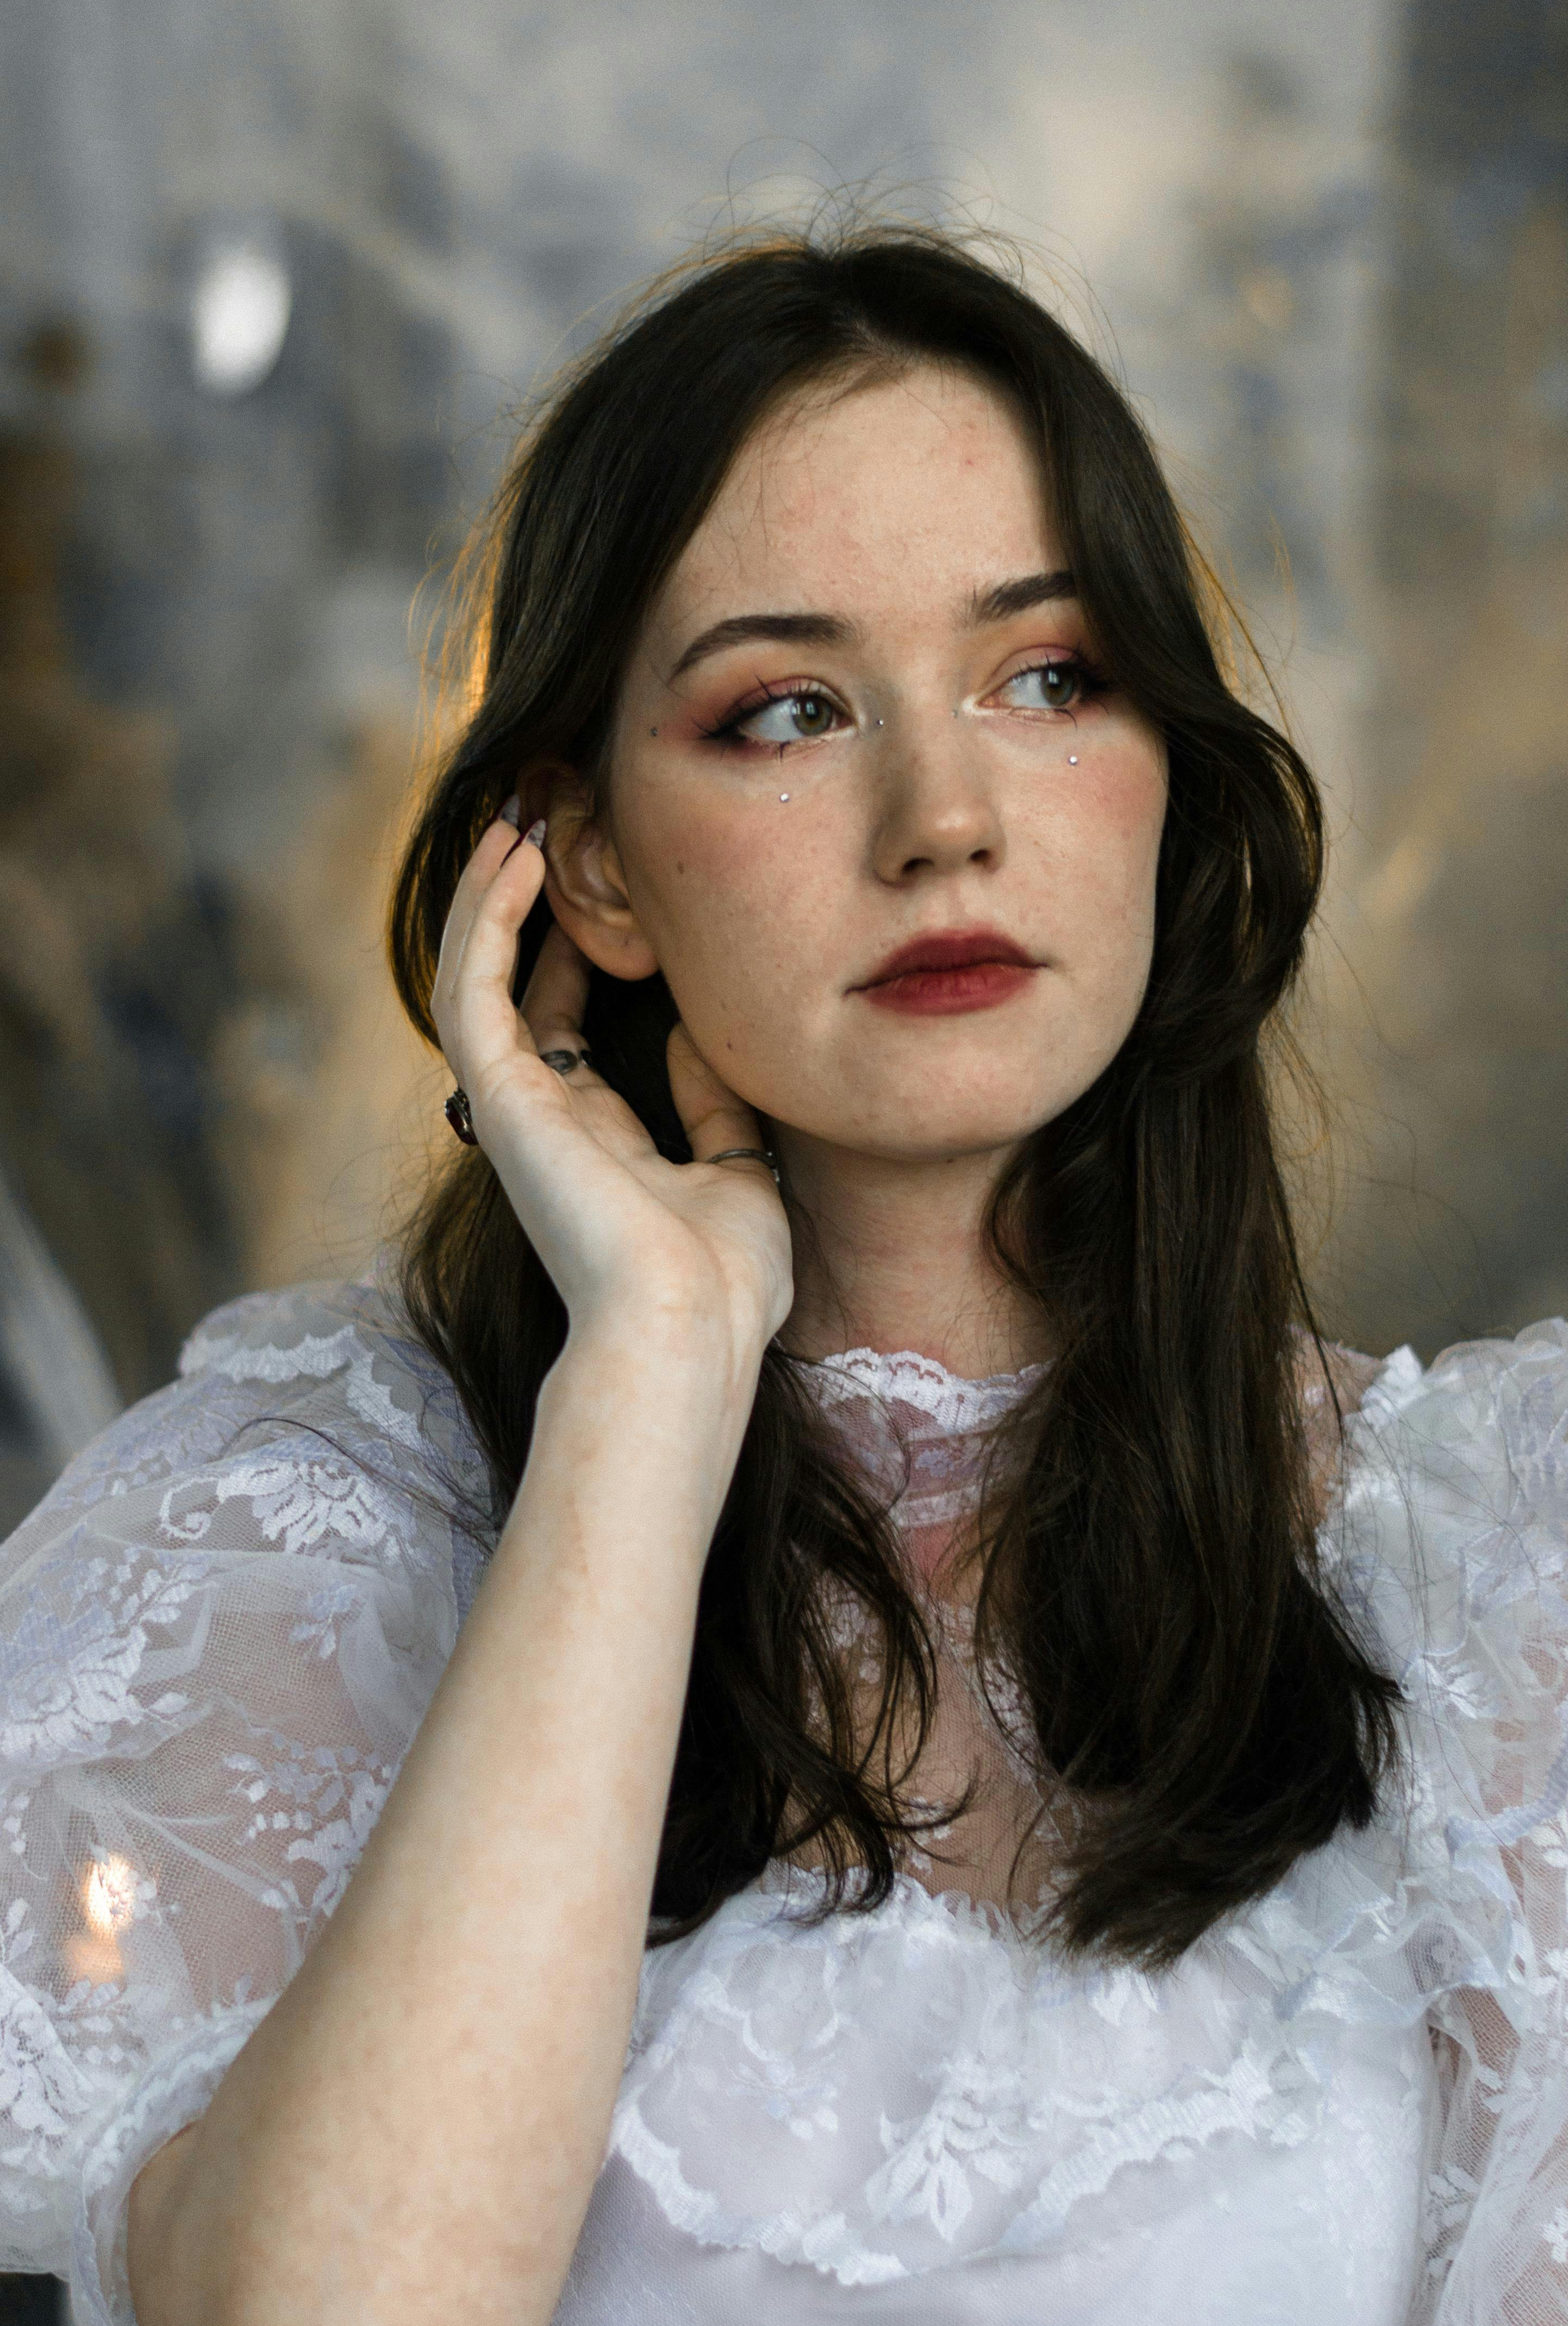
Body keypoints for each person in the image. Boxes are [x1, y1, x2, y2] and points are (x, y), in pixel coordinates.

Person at [1, 221, 1564, 2326]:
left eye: (1046, 677)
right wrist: (650, 1377)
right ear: (597, 861)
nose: (944, 816)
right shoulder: (307, 1553)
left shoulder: (1479, 1578)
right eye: (788, 710)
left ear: (1163, 778)